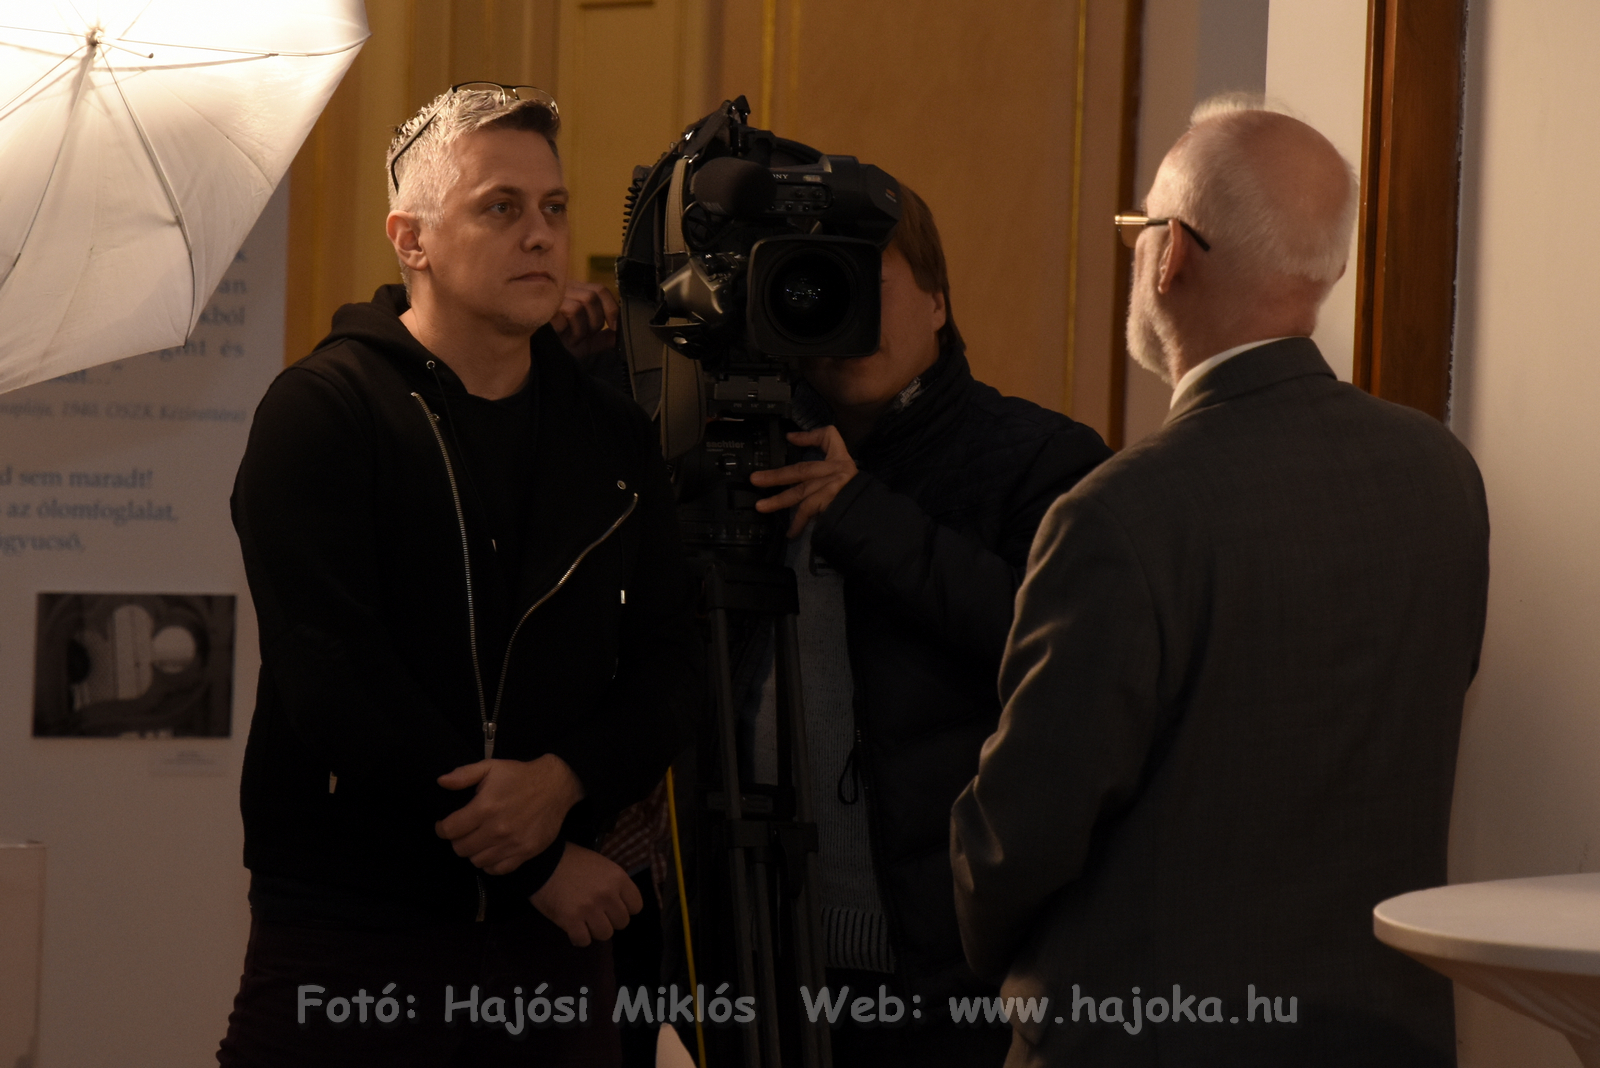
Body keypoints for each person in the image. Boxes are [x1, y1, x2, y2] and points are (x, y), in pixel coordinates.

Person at [949, 96, 1491, 1067]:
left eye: (1139, 227)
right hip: (1383, 1040)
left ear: (1169, 257)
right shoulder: (1441, 473)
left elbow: (1018, 839)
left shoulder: (1118, 513)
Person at [217, 84, 700, 1066]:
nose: (540, 234)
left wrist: (566, 780)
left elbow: (672, 659)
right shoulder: (322, 412)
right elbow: (335, 681)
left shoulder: (610, 435)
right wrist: (535, 865)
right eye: (500, 207)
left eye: (553, 208)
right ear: (413, 240)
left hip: (551, 944)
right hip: (355, 924)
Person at [745, 185, 1112, 1065]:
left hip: (956, 972)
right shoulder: (745, 462)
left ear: (939, 299)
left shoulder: (1044, 459)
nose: (851, 317)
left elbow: (1058, 656)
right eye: (821, 285)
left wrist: (860, 512)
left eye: (872, 281)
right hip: (770, 963)